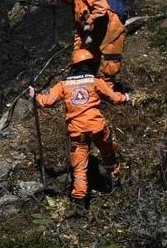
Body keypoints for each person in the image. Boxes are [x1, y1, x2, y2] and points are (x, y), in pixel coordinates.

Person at [30, 50, 131, 210]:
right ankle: (117, 185)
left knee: (79, 169)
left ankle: (80, 205)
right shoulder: (95, 81)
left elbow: (47, 102)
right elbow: (114, 98)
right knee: (108, 155)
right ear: (89, 65)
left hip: (78, 133)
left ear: (73, 66)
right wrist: (126, 97)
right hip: (97, 127)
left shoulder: (63, 85)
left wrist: (35, 96)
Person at [45, 0, 128, 85]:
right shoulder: (75, 6)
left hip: (112, 30)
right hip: (98, 35)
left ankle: (109, 94)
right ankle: (92, 91)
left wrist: (90, 20)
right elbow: (79, 32)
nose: (61, 0)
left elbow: (102, 7)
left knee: (111, 66)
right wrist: (76, 51)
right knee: (89, 62)